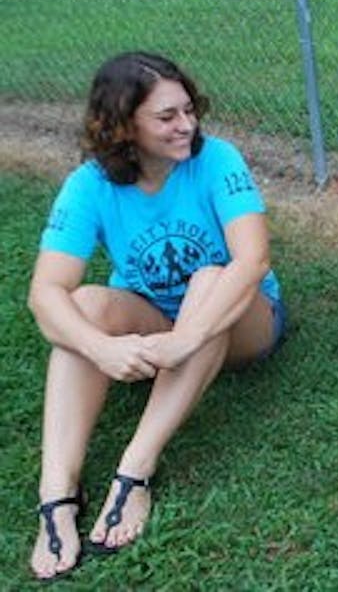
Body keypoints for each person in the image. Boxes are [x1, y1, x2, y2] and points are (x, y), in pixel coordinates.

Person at [28, 52, 285, 579]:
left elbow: (253, 260)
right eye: (166, 117)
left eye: (188, 110)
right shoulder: (90, 184)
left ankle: (134, 471)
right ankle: (57, 494)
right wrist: (101, 348)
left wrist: (187, 337)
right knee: (85, 306)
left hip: (243, 319)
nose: (186, 125)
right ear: (123, 125)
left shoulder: (217, 160)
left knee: (210, 281)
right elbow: (45, 294)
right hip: (153, 318)